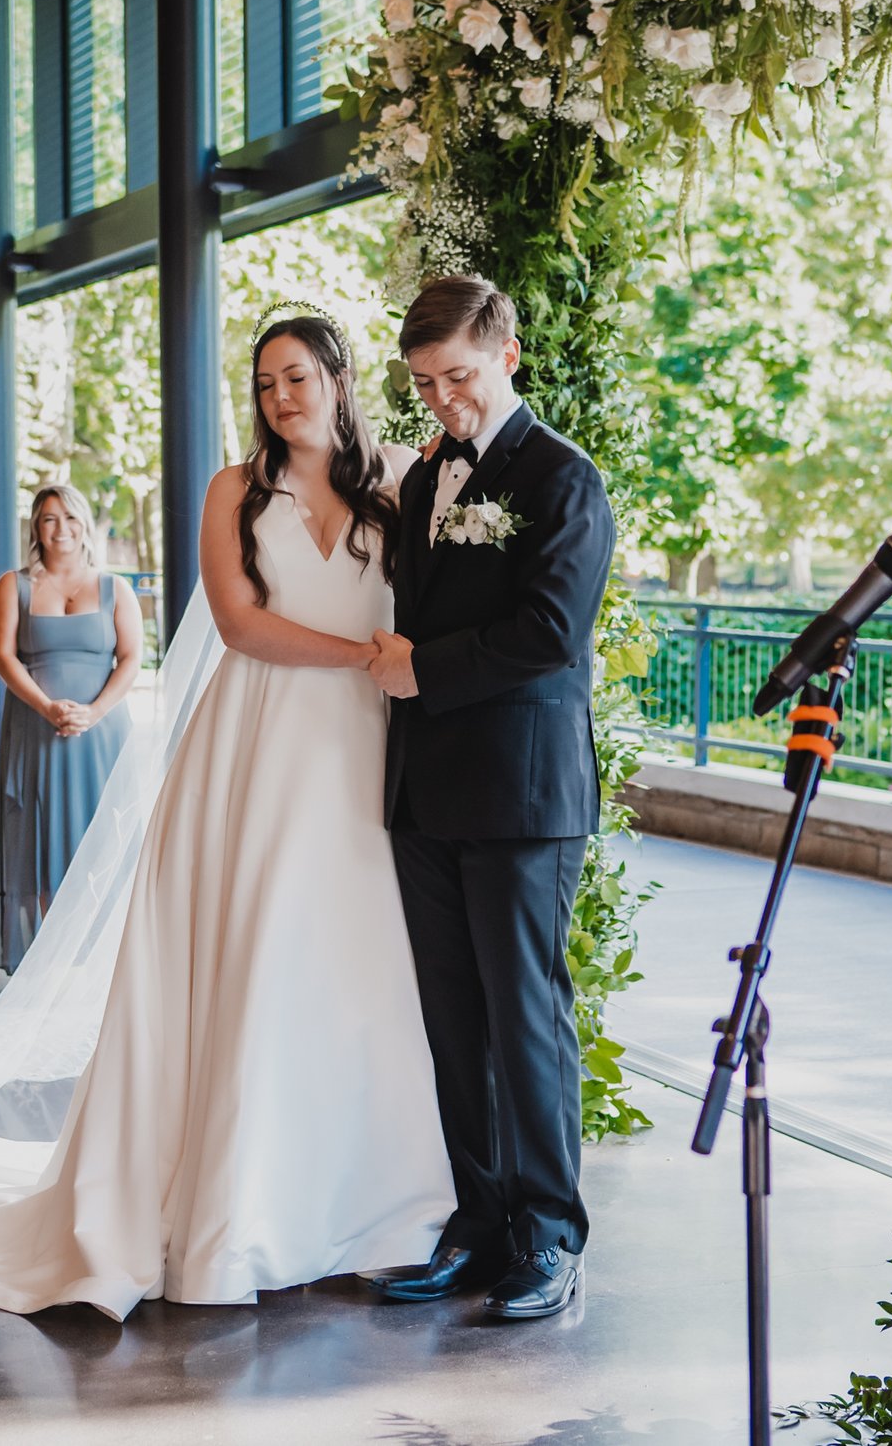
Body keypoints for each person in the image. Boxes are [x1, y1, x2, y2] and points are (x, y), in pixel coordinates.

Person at [0, 309, 454, 1318]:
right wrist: (371, 661)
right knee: (252, 952)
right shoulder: (232, 492)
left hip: (364, 751)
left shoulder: (396, 485)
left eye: (297, 376)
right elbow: (242, 625)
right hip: (255, 748)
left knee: (356, 960)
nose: (282, 397)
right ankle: (234, 1208)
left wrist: (401, 669)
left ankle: (364, 1202)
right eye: (265, 385)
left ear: (338, 378)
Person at [360, 275, 615, 1323]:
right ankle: (478, 1223)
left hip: (520, 795)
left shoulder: (563, 478)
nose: (441, 401)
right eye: (423, 384)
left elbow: (551, 632)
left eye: (457, 377)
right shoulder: (422, 482)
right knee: (454, 1022)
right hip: (425, 793)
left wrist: (422, 668)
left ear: (505, 355)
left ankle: (550, 1235)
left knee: (526, 1021)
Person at [0, 484, 143, 969]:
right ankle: (53, 963)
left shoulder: (115, 588)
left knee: (102, 844)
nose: (61, 529)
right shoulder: (13, 586)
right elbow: (2, 657)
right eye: (50, 519)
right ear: (36, 526)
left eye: (70, 518)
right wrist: (46, 706)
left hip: (102, 737)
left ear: (84, 525)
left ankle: (102, 963)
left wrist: (93, 712)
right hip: (38, 733)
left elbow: (132, 658)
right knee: (42, 842)